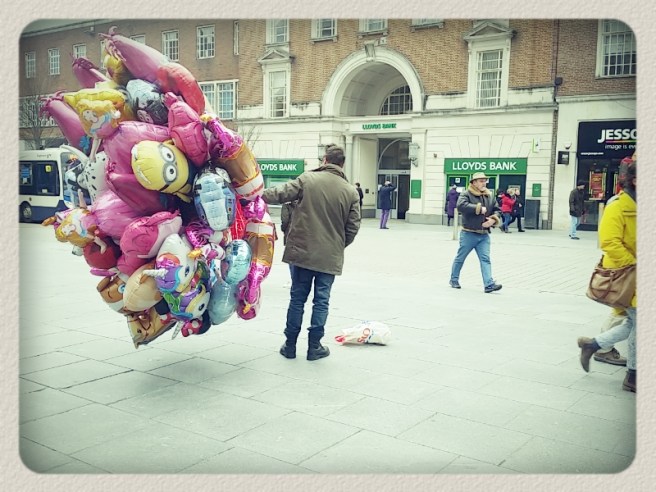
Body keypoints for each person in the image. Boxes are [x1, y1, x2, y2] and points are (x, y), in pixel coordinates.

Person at [261, 144, 361, 361]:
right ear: (342, 164)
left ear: (325, 160)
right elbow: (353, 227)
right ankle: (314, 347)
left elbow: (280, 193)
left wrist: (252, 194)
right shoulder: (350, 191)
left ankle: (290, 345)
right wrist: (336, 245)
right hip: (329, 256)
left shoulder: (308, 179)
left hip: (302, 252)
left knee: (297, 298)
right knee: (321, 301)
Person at [576, 160, 636, 392]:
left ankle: (593, 345)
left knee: (634, 322)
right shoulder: (617, 206)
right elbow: (609, 242)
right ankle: (633, 375)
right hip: (629, 274)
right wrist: (635, 264)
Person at [449, 172, 503, 293]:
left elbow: (498, 210)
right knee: (460, 258)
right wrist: (477, 208)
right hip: (469, 233)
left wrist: (493, 220)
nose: (484, 183)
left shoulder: (489, 195)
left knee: (485, 259)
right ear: (474, 182)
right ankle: (454, 279)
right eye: (481, 181)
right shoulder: (466, 193)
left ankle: (489, 284)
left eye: (485, 181)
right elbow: (461, 205)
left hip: (484, 235)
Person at [280, 199, 298, 289]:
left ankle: (294, 281)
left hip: (291, 233)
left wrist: (284, 229)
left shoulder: (287, 204)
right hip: (305, 234)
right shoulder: (306, 201)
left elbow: (285, 220)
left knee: (292, 258)